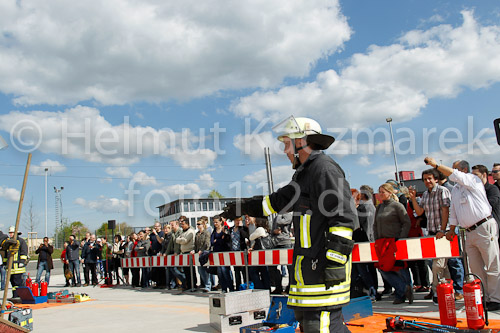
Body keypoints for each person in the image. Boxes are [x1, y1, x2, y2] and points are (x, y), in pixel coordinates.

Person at [221, 116, 357, 332]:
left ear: (301, 142)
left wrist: (335, 264)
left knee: (321, 326)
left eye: (286, 144)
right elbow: (276, 202)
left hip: (323, 271)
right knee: (313, 323)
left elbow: (344, 217)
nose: (284, 151)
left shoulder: (324, 169)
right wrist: (242, 207)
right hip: (309, 271)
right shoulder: (305, 174)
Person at [426, 157, 500, 311]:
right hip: (469, 231)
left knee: (492, 264)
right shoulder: (457, 190)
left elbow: (456, 176)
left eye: (455, 169)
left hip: (483, 227)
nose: (452, 172)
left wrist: (436, 165)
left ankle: (496, 298)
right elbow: (454, 211)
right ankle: (486, 297)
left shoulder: (473, 180)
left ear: (464, 170)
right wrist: (451, 229)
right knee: (476, 269)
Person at [409, 168, 464, 303]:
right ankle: (445, 290)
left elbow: (446, 211)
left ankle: (456, 290)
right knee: (440, 265)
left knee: (451, 263)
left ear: (436, 179)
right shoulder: (425, 196)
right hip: (433, 233)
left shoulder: (442, 191)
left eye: (430, 179)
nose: (427, 181)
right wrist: (413, 199)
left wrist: (443, 229)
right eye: (425, 179)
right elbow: (420, 211)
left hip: (444, 232)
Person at [374, 183, 413, 305]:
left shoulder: (397, 206)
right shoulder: (379, 208)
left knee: (400, 268)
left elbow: (406, 222)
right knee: (384, 269)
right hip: (382, 243)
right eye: (379, 192)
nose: (380, 194)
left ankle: (403, 293)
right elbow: (375, 224)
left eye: (383, 192)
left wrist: (401, 239)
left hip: (394, 241)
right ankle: (402, 289)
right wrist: (376, 238)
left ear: (390, 193)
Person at [211, 215, 234, 293]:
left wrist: (217, 241)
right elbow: (211, 242)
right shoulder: (214, 231)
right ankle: (224, 288)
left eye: (216, 222)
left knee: (225, 270)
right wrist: (219, 240)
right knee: (220, 272)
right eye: (214, 222)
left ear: (220, 222)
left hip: (224, 253)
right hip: (217, 253)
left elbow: (226, 241)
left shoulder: (225, 229)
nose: (215, 224)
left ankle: (231, 287)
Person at [4, 226, 28, 297]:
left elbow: (24, 252)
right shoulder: (8, 242)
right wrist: (5, 263)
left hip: (18, 268)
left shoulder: (21, 241)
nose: (10, 234)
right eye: (10, 233)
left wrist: (22, 262)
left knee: (18, 284)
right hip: (10, 268)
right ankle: (15, 296)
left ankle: (19, 296)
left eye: (11, 233)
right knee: (13, 284)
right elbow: (6, 254)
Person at [248, 217, 272, 290]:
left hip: (259, 255)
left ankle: (260, 287)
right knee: (264, 272)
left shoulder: (259, 229)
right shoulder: (265, 229)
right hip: (264, 254)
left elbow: (251, 237)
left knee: (252, 271)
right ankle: (266, 288)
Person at [176, 217, 196, 290]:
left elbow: (185, 241)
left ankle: (192, 285)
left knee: (190, 271)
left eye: (183, 224)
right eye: (181, 224)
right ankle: (188, 284)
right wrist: (180, 239)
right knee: (186, 271)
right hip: (183, 252)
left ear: (187, 224)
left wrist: (180, 240)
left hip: (189, 252)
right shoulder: (182, 232)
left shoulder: (190, 231)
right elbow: (177, 239)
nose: (182, 226)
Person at [229, 216, 249, 291]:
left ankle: (245, 286)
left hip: (242, 251)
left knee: (244, 270)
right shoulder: (231, 229)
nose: (238, 222)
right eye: (236, 220)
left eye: (239, 220)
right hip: (234, 252)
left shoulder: (243, 229)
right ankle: (238, 287)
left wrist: (241, 228)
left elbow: (245, 236)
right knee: (236, 271)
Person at [193, 219, 211, 292]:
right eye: (197, 224)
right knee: (200, 270)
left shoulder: (206, 233)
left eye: (199, 224)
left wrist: (202, 250)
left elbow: (207, 243)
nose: (198, 225)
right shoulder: (197, 234)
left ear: (203, 224)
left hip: (204, 253)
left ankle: (208, 285)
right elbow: (195, 244)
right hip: (198, 253)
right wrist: (194, 250)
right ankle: (206, 283)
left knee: (204, 270)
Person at [150, 222, 166, 288]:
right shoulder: (152, 234)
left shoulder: (162, 233)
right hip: (154, 253)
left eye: (157, 226)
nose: (155, 228)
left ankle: (163, 283)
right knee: (155, 270)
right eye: (155, 226)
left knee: (161, 269)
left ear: (160, 227)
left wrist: (156, 234)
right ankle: (157, 283)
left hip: (160, 253)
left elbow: (160, 241)